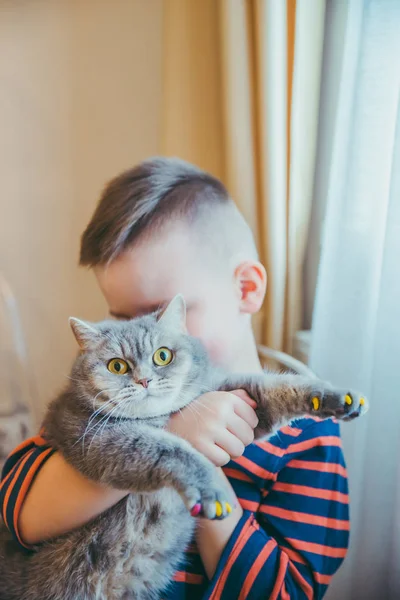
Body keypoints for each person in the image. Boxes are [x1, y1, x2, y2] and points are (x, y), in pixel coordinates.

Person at [0, 158, 349, 599]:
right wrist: (166, 439)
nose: (142, 343)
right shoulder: (107, 404)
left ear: (245, 289)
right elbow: (19, 511)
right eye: (121, 318)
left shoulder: (308, 435)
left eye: (164, 312)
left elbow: (289, 592)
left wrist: (201, 472)